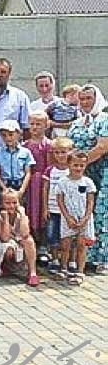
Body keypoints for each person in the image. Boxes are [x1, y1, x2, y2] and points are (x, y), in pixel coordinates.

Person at [65, 84, 108, 272]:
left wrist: (80, 164)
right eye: (81, 99)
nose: (84, 102)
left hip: (101, 173)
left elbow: (102, 147)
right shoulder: (77, 122)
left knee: (101, 214)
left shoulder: (104, 120)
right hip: (80, 175)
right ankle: (84, 256)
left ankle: (102, 258)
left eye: (88, 99)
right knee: (82, 213)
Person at [55, 151, 97, 285]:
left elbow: (90, 201)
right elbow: (60, 200)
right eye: (75, 165)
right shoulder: (63, 182)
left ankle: (80, 271)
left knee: (81, 245)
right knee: (65, 244)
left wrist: (85, 218)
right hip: (68, 218)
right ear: (69, 164)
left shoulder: (88, 182)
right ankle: (64, 268)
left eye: (81, 165)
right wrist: (67, 217)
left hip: (84, 218)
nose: (78, 168)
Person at [0, 189, 39, 286]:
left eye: (14, 203)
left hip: (18, 242)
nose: (11, 206)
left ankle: (32, 273)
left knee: (29, 241)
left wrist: (22, 214)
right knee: (8, 248)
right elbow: (4, 238)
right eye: (8, 203)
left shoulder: (22, 216)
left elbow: (25, 233)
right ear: (2, 204)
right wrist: (6, 219)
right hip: (5, 243)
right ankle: (6, 267)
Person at [41, 137, 73, 274]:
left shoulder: (72, 169)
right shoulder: (50, 170)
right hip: (53, 209)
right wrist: (45, 207)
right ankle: (54, 260)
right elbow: (45, 189)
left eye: (63, 152)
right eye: (57, 152)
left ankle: (70, 260)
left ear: (70, 152)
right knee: (52, 235)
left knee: (69, 236)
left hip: (69, 211)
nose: (60, 155)